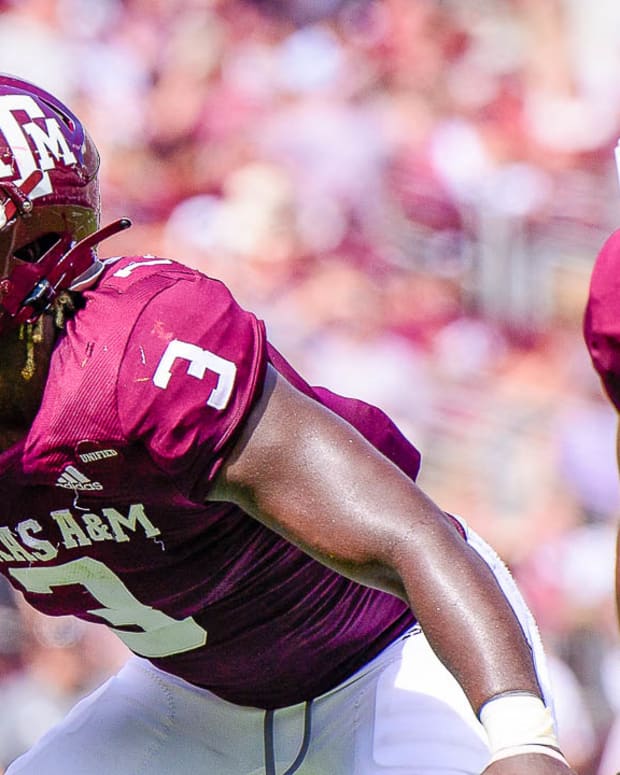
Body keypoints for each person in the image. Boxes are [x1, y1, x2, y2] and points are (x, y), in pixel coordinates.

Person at [0, 73, 574, 775]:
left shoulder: (135, 361)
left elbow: (410, 535)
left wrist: (522, 737)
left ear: (36, 248)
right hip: (194, 700)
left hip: (388, 658)